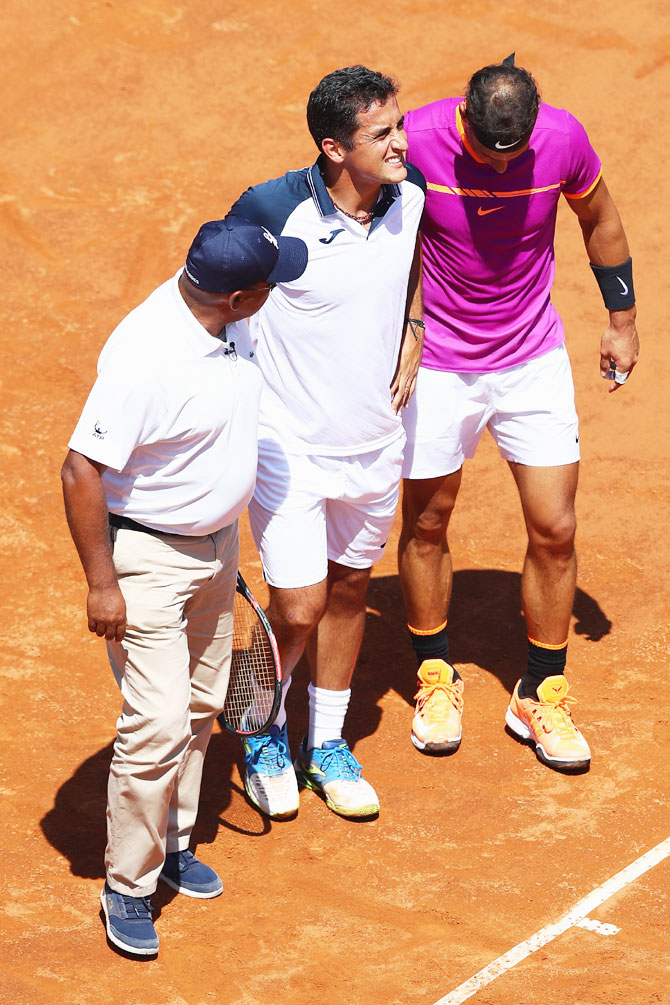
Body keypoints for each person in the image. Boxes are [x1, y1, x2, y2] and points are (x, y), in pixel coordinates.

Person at [61, 218, 308, 957]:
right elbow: (80, 470)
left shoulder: (224, 318)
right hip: (149, 564)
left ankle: (174, 841)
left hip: (215, 550)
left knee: (202, 703)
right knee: (159, 721)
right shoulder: (147, 358)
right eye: (269, 286)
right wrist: (102, 582)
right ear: (236, 297)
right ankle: (126, 886)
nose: (275, 292)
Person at [398, 58, 639, 771]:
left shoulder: (562, 141)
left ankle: (540, 689)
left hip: (531, 356)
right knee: (429, 520)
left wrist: (621, 320)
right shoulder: (414, 141)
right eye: (486, 152)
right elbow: (368, 234)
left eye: (514, 155)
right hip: (439, 362)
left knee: (556, 527)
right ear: (465, 118)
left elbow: (600, 217)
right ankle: (435, 676)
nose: (500, 167)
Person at [224, 65, 426, 820]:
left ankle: (327, 744)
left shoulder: (410, 198)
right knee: (299, 603)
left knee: (348, 591)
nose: (401, 143)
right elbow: (212, 289)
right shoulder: (274, 209)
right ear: (335, 148)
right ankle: (258, 727)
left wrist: (416, 324)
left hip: (376, 442)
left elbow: (413, 269)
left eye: (399, 126)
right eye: (383, 134)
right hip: (290, 448)